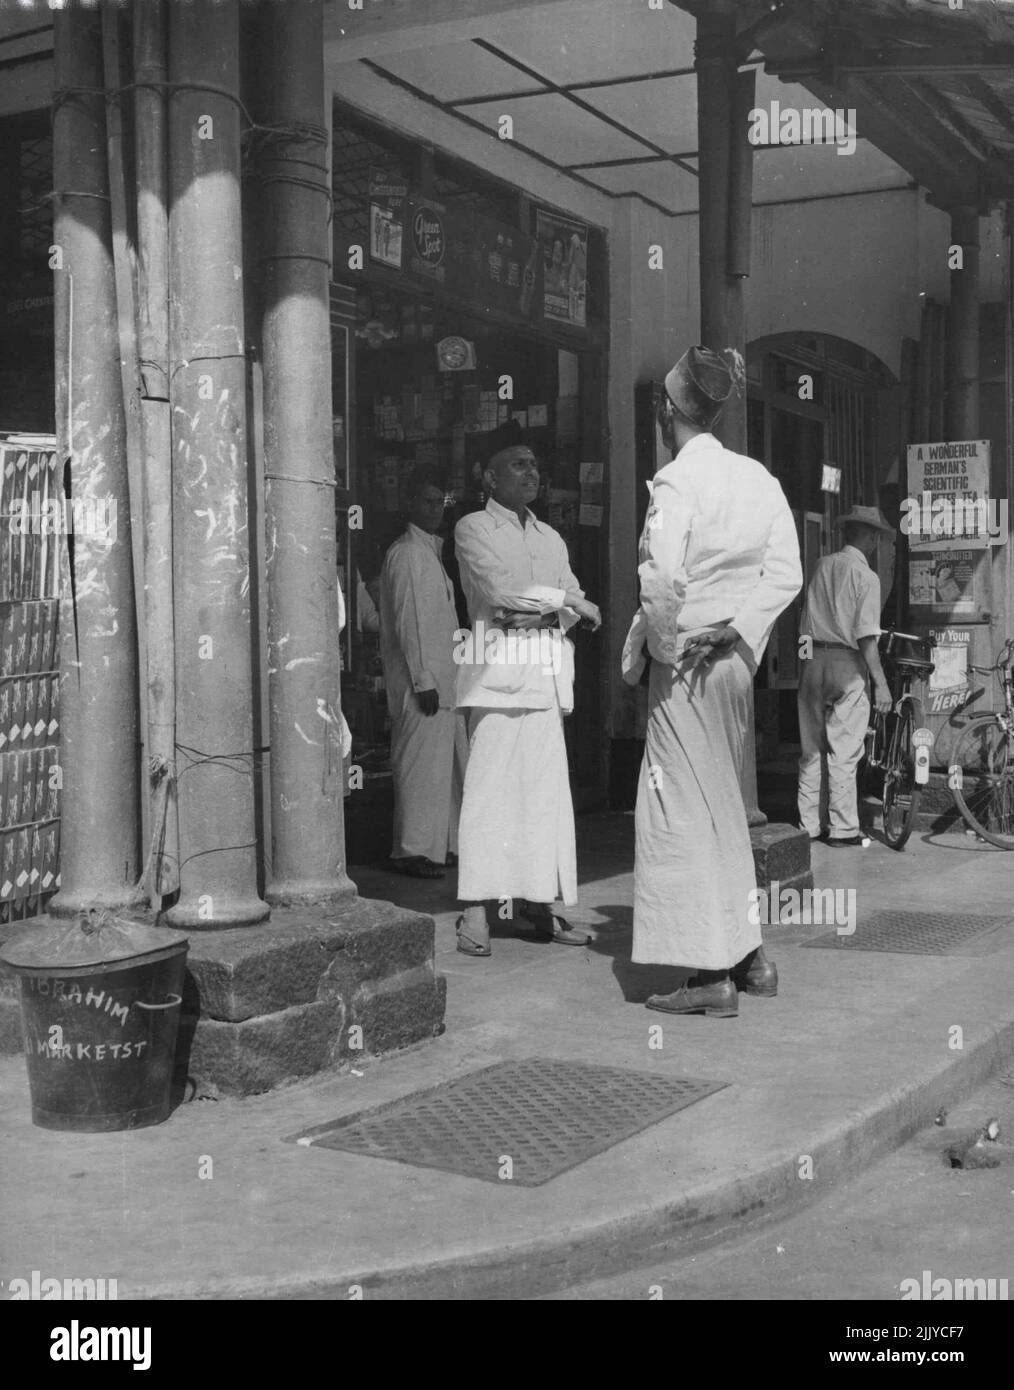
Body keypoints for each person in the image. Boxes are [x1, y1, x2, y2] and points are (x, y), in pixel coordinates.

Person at [622, 346, 802, 1018]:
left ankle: (707, 976)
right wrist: (742, 630)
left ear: (667, 408)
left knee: (676, 809)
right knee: (723, 803)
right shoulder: (757, 479)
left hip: (689, 661)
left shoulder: (675, 483)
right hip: (733, 658)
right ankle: (750, 957)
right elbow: (784, 573)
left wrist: (665, 650)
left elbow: (660, 579)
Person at [452, 430, 602, 957]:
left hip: (545, 678)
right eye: (517, 464)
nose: (531, 472)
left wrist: (548, 608)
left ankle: (540, 903)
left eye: (534, 464)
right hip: (493, 678)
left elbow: (577, 599)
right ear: (490, 478)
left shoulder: (551, 538)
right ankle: (475, 910)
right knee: (487, 798)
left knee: (544, 800)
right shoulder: (472, 527)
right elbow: (496, 591)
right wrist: (561, 605)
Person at [379, 468, 468, 877]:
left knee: (443, 771)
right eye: (428, 501)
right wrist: (423, 680)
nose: (437, 509)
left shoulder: (429, 552)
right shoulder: (408, 553)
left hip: (443, 681)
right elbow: (409, 621)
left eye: (441, 502)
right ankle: (411, 850)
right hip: (423, 685)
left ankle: (442, 846)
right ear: (410, 506)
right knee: (419, 769)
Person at [797, 505, 895, 847]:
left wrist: (806, 665)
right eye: (876, 537)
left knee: (811, 749)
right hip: (848, 664)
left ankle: (809, 825)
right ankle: (842, 829)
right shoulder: (867, 577)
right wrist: (880, 683)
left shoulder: (821, 566)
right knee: (844, 750)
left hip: (812, 661)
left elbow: (804, 624)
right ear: (869, 537)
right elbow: (866, 636)